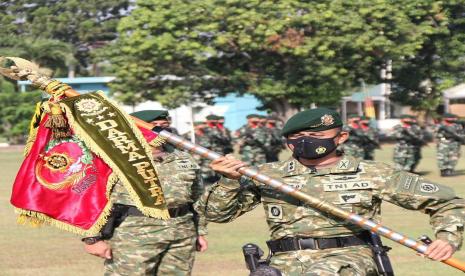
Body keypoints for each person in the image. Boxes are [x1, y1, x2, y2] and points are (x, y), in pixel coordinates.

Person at [196, 107, 465, 275]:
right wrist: (229, 181)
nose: (306, 143)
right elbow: (217, 214)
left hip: (348, 260)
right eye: (298, 139)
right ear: (288, 142)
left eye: (316, 137)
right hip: (283, 263)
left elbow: (447, 203)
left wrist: (447, 238)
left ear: (341, 138)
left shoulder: (374, 172)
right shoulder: (267, 174)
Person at [83, 110, 208, 276]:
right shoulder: (114, 159)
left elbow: (198, 199)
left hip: (181, 232)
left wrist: (199, 232)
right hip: (134, 234)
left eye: (165, 126)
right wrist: (92, 239)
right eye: (155, 126)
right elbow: (89, 198)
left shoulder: (182, 158)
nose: (163, 131)